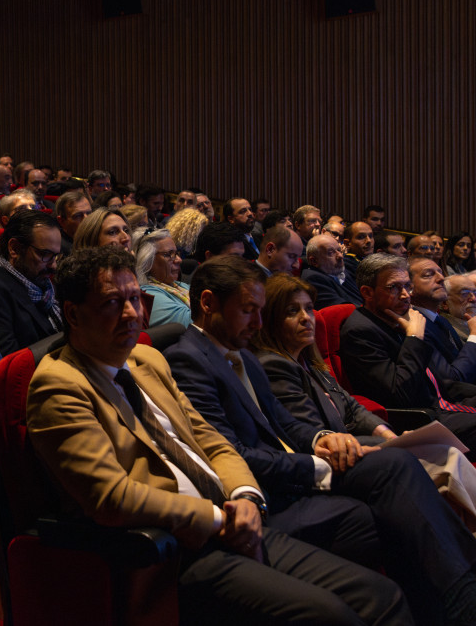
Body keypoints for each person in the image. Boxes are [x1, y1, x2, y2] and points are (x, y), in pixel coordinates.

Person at [27, 245, 411, 625]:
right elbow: (110, 497)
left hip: (236, 518)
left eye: (134, 298)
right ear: (74, 314)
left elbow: (210, 440)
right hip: (179, 548)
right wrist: (216, 517)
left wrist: (246, 497)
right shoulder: (58, 385)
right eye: (113, 303)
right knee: (331, 615)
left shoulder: (147, 360)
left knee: (380, 596)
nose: (132, 314)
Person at [165, 255, 476, 622]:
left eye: (262, 310)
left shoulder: (243, 358)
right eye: (249, 310)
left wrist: (322, 440)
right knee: (400, 493)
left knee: (399, 484)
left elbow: (287, 425)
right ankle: (461, 603)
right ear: (207, 303)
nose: (259, 323)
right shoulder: (187, 360)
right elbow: (233, 454)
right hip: (270, 496)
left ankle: (455, 601)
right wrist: (316, 463)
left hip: (295, 472)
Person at [254, 273, 476, 529]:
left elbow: (352, 407)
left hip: (362, 443)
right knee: (447, 457)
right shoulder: (274, 366)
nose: (306, 318)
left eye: (309, 309)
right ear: (269, 319)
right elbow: (315, 438)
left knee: (447, 454)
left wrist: (388, 435)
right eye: (293, 311)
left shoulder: (309, 362)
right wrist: (391, 443)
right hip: (336, 457)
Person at [341, 253, 476, 451]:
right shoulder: (360, 331)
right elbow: (400, 393)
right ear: (367, 292)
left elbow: (441, 382)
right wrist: (413, 337)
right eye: (393, 287)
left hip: (443, 404)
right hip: (418, 419)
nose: (405, 295)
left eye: (407, 286)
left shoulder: (399, 317)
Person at [0, 210, 63, 355]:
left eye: (55, 256)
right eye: (45, 255)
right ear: (15, 249)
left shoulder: (50, 285)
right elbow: (10, 362)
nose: (53, 266)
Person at [133, 229, 190, 328]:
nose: (179, 260)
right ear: (147, 261)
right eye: (169, 254)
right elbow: (197, 323)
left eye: (176, 254)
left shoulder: (178, 285)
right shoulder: (147, 294)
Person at [302, 233, 363, 307]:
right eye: (331, 253)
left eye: (339, 250)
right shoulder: (314, 279)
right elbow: (343, 310)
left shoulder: (341, 271)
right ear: (314, 261)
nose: (340, 256)